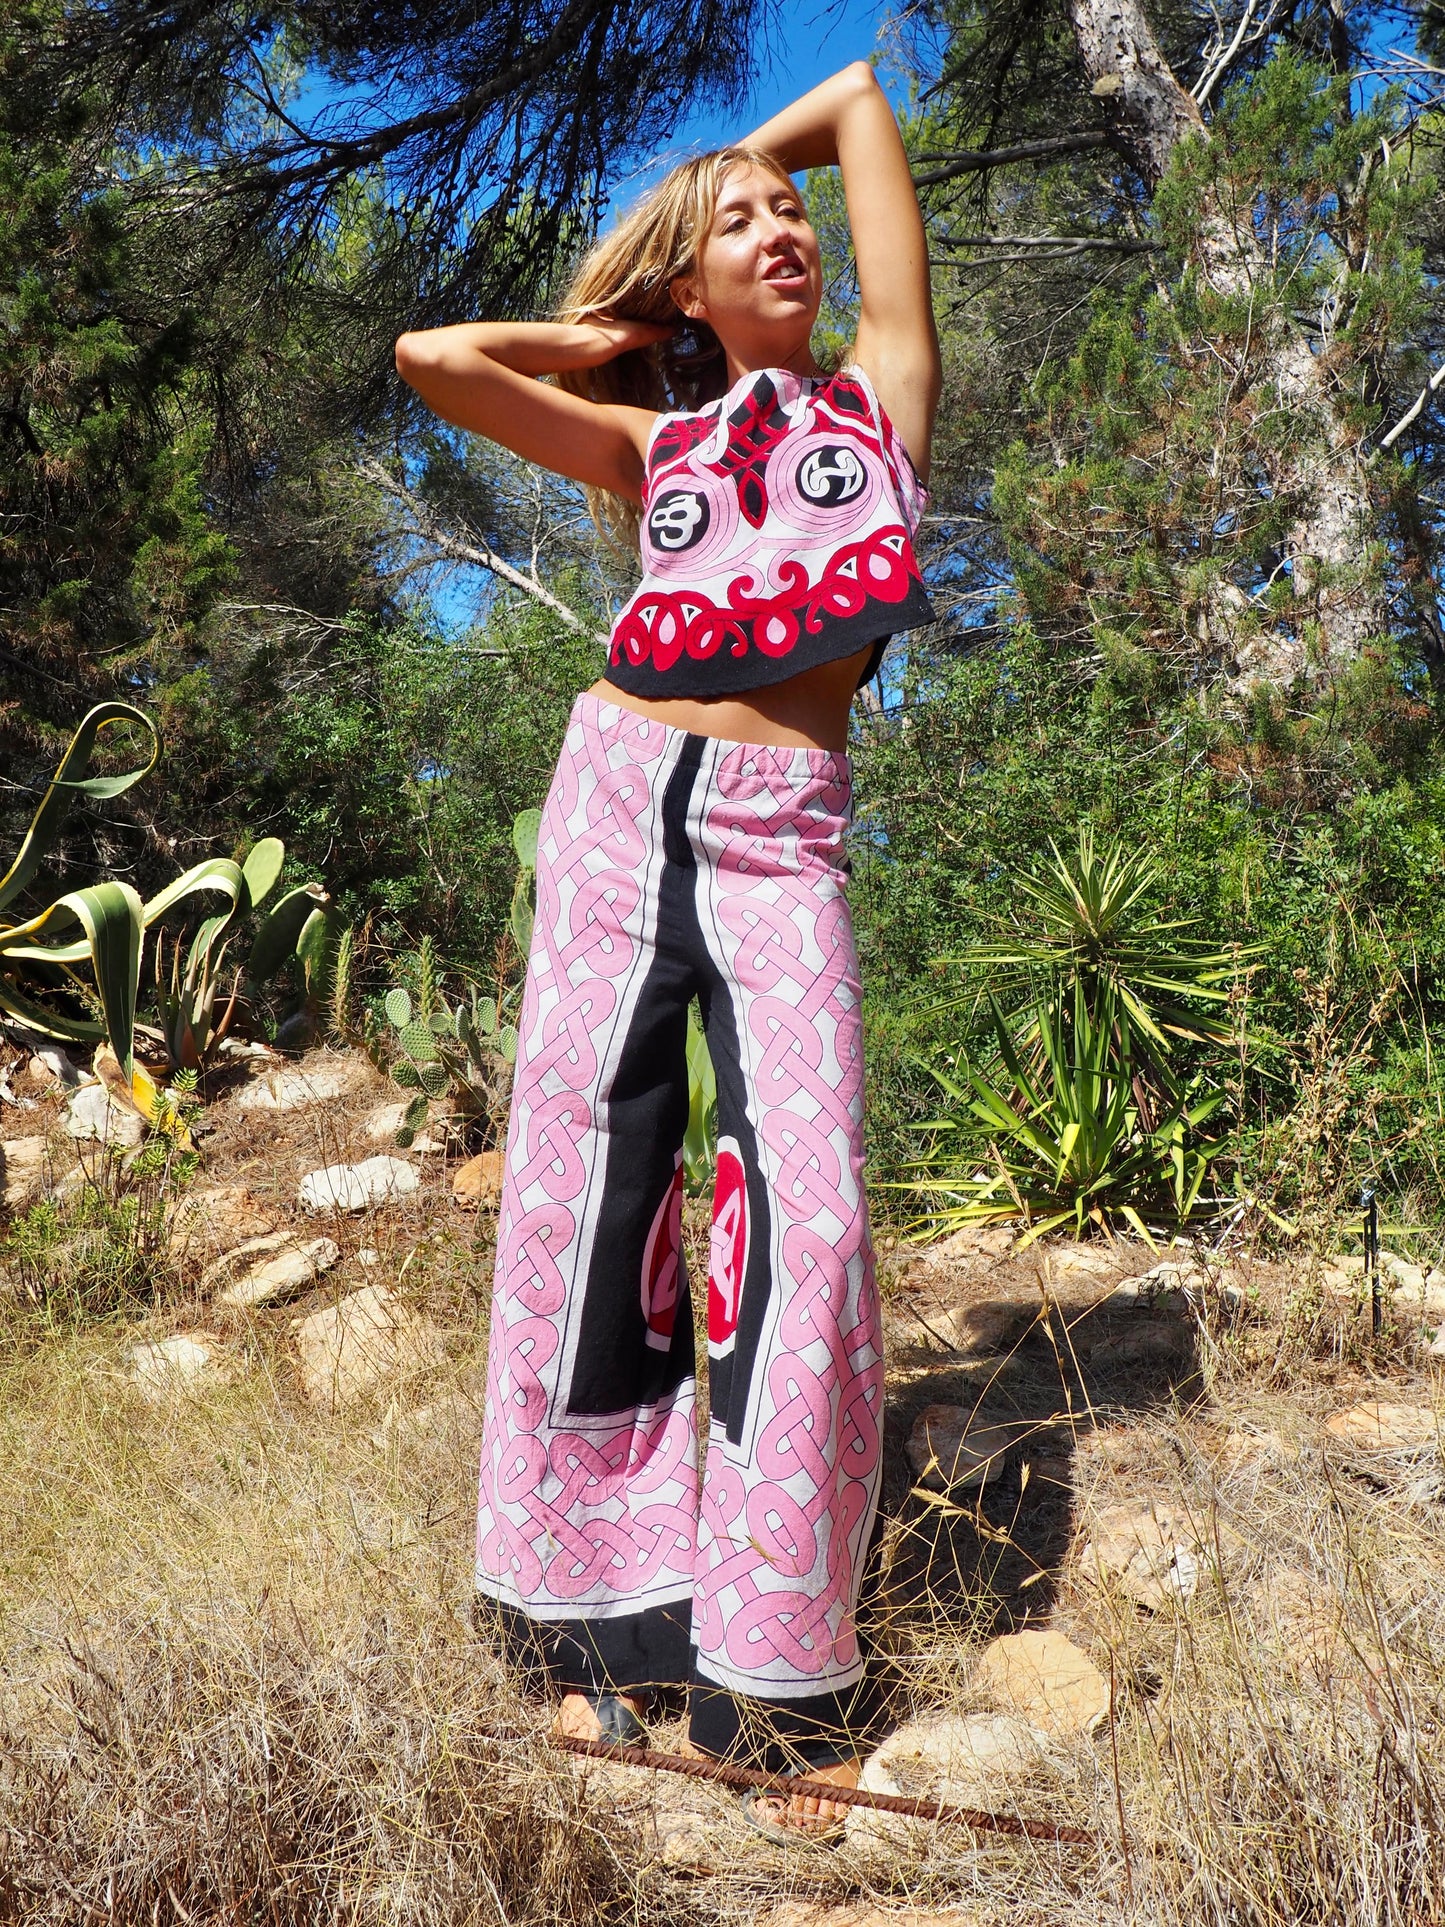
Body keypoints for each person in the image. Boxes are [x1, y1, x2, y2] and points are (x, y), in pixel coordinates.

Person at [395, 60, 940, 1841]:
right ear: (683, 294)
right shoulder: (654, 444)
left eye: (791, 221)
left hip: (780, 833)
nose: (783, 229)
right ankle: (596, 1639)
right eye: (742, 231)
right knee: (596, 1194)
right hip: (618, 794)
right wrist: (642, 303)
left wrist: (747, 167)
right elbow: (437, 362)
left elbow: (859, 98)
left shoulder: (883, 400)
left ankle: (775, 1689)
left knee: (812, 1213)